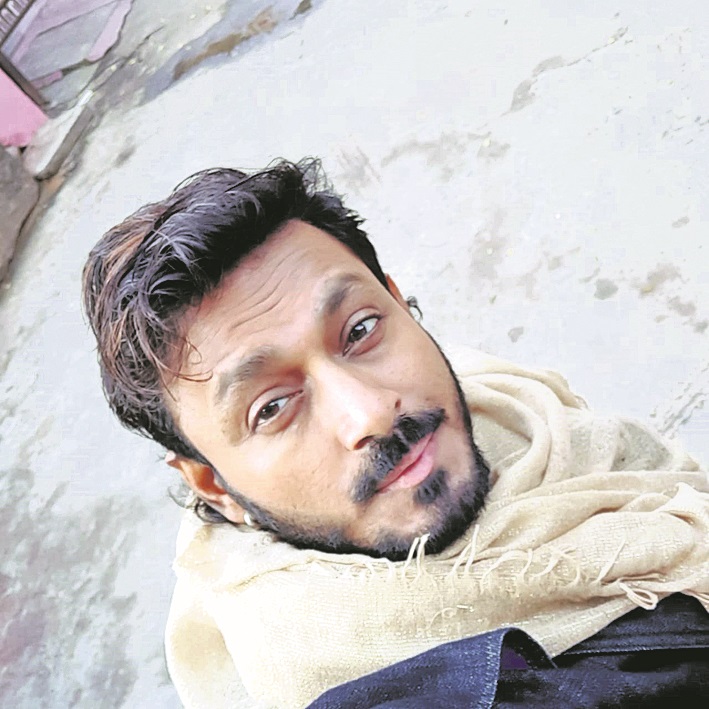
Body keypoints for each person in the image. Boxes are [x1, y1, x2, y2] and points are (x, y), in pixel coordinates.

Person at [82, 160, 709, 708]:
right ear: (214, 486)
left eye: (358, 331)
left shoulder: (516, 408)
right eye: (272, 408)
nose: (372, 415)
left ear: (399, 303)